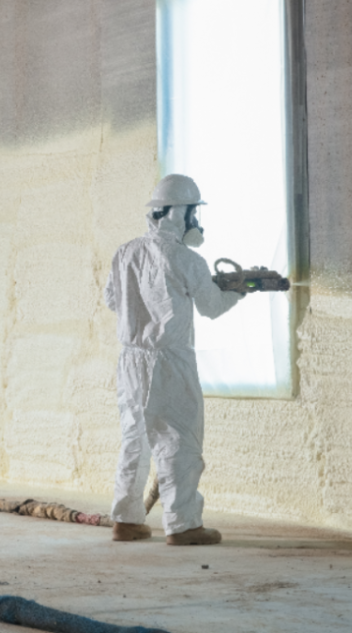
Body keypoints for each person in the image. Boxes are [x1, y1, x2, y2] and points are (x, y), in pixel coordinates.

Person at [103, 173, 243, 545]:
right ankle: (183, 525)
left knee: (135, 439)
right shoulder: (187, 259)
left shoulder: (124, 253)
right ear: (179, 214)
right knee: (180, 439)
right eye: (193, 213)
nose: (195, 221)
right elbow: (212, 308)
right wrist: (239, 292)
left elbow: (113, 301)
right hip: (170, 361)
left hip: (131, 361)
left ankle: (126, 520)